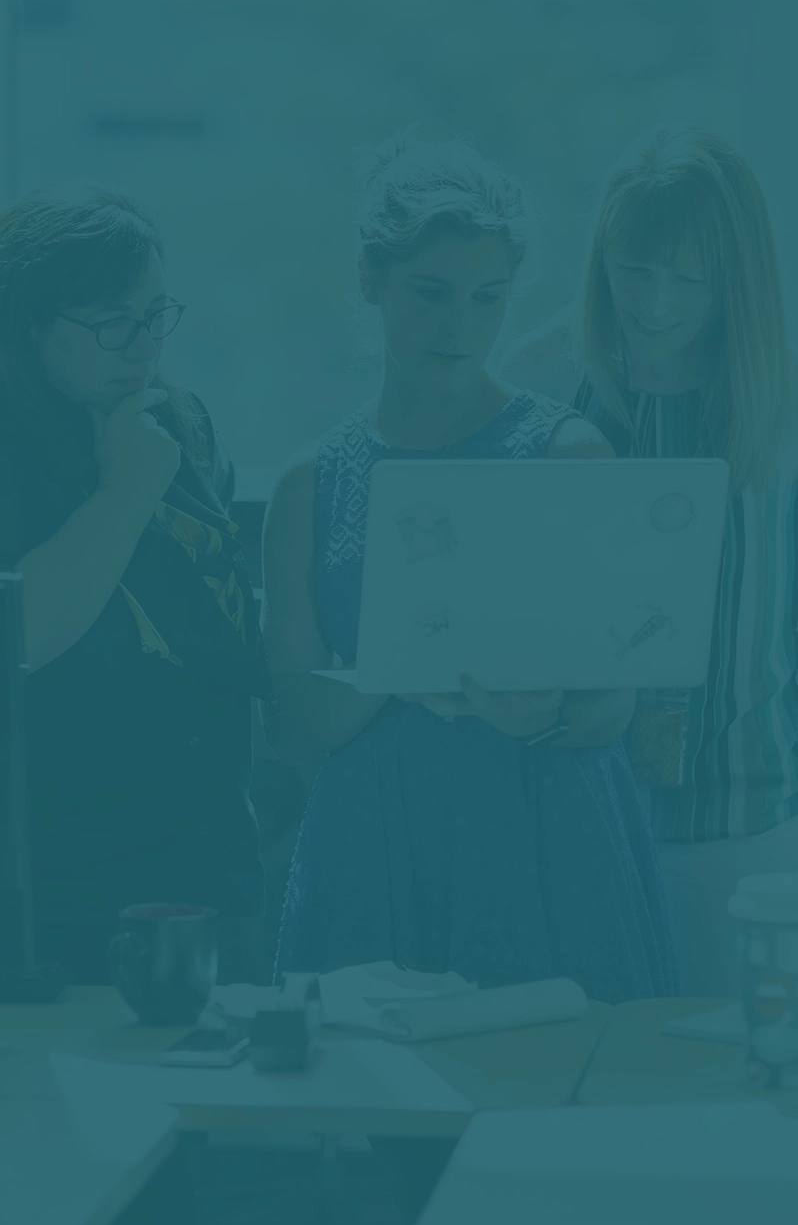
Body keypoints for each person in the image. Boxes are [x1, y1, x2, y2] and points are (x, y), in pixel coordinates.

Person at [261, 132, 678, 1004]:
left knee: (562, 1080)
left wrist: (545, 716)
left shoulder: (569, 456)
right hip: (371, 843)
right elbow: (299, 723)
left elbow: (616, 703)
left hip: (544, 829)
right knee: (368, 1079)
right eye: (431, 292)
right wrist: (405, 657)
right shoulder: (307, 485)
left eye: (489, 297)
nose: (462, 325)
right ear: (370, 278)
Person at [504, 125, 798, 996]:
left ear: (736, 279)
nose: (654, 301)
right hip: (578, 818)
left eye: (687, 278)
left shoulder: (783, 397)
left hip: (748, 826)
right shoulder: (543, 378)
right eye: (632, 269)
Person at [0, 184, 268, 982]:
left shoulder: (181, 425)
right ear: (29, 322)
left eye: (156, 315)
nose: (144, 346)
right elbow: (20, 635)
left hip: (209, 871)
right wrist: (126, 488)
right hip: (62, 897)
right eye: (113, 322)